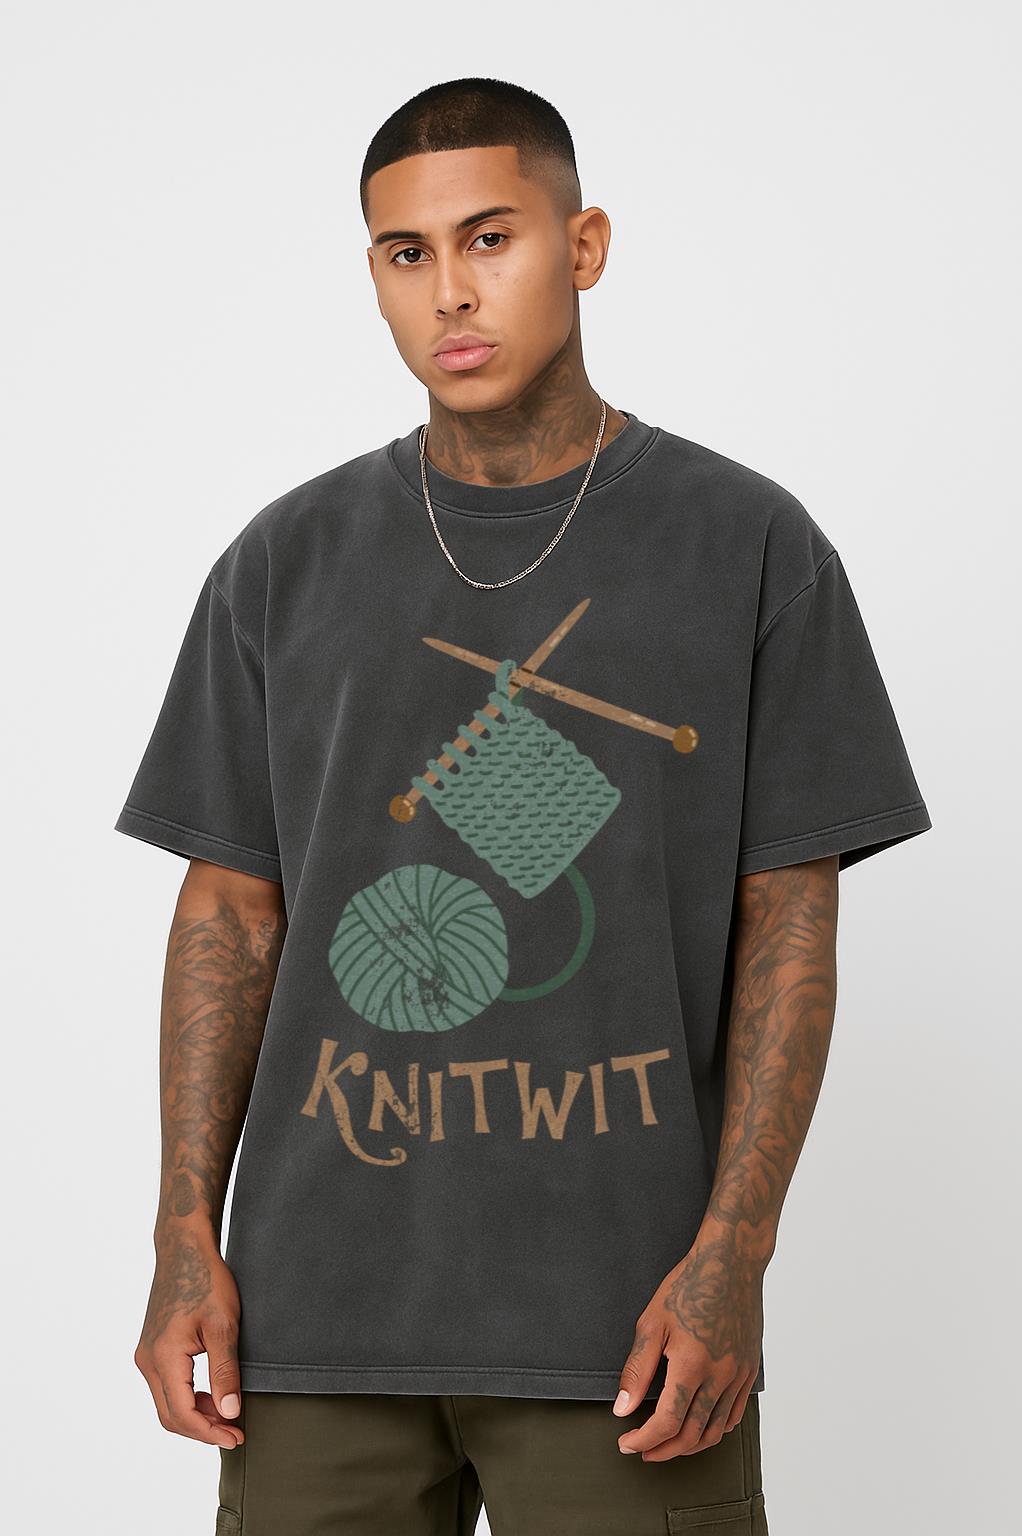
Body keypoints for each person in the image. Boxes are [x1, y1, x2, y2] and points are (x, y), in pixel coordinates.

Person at [115, 76, 932, 1536]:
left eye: (490, 238)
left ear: (585, 244)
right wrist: (186, 1231)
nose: (451, 291)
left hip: (628, 1331)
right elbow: (229, 914)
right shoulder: (284, 561)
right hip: (315, 1326)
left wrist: (734, 1255)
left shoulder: (747, 545)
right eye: (407, 253)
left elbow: (789, 927)